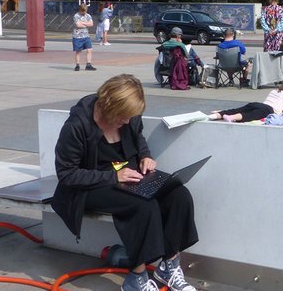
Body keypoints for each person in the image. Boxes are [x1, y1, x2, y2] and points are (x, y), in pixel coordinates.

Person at [51, 74, 198, 291]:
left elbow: (139, 140)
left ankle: (169, 265)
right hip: (90, 185)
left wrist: (145, 157)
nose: (128, 122)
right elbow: (66, 174)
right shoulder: (77, 125)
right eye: (123, 117)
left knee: (179, 195)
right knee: (143, 206)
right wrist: (113, 177)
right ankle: (135, 280)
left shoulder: (129, 118)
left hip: (127, 176)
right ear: (109, 106)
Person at [208, 84, 283, 122]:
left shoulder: (273, 91)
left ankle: (216, 115)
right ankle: (231, 117)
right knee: (249, 115)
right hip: (268, 110)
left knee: (238, 110)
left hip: (258, 104)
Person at [72, 4, 97, 71]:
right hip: (77, 36)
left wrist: (82, 23)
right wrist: (86, 23)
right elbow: (78, 25)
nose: (84, 12)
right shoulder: (76, 16)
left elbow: (91, 24)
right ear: (80, 10)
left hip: (86, 36)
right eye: (83, 11)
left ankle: (88, 64)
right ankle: (77, 65)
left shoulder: (88, 15)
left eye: (85, 11)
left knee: (89, 50)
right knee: (78, 51)